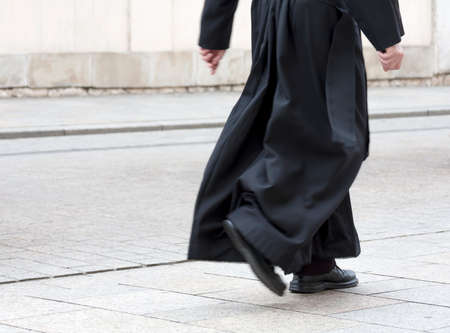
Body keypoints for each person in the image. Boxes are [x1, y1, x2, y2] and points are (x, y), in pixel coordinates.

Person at [188, 0, 405, 296]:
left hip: (270, 15)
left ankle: (316, 264)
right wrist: (385, 33)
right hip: (317, 17)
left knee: (294, 127)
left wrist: (215, 30)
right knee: (340, 136)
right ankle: (261, 222)